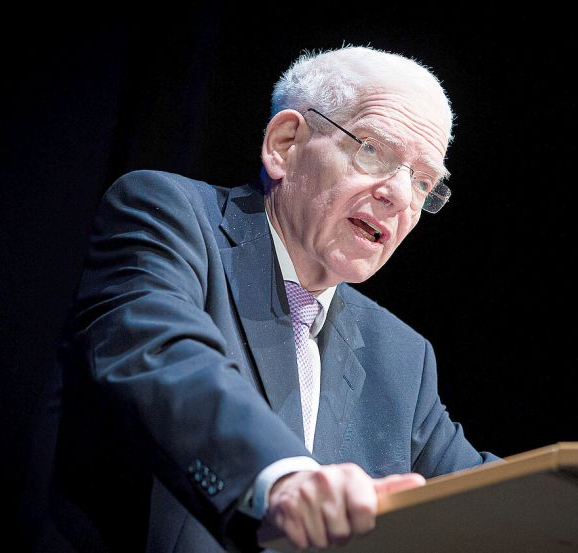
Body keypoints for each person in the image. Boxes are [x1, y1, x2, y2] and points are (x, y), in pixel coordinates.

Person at [47, 46, 496, 552]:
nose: (399, 196)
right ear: (284, 144)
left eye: (422, 182)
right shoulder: (169, 216)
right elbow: (161, 358)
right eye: (373, 150)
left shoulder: (401, 356)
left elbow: (483, 496)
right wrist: (282, 479)